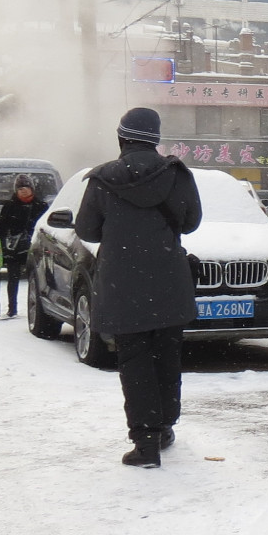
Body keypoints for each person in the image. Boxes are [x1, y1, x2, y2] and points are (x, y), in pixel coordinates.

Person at [75, 106, 203, 468]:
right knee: (167, 354)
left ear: (121, 138)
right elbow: (191, 222)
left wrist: (119, 229)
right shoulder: (177, 175)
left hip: (122, 283)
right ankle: (163, 428)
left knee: (134, 360)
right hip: (168, 279)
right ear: (155, 139)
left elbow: (86, 231)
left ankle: (145, 440)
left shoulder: (101, 180)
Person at [0, 178, 48, 318]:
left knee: (37, 278)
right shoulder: (10, 206)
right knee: (13, 277)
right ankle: (12, 308)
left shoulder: (41, 206)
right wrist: (2, 245)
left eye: (25, 188)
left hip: (34, 246)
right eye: (19, 189)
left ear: (32, 189)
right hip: (14, 248)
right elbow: (1, 228)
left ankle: (38, 307)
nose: (23, 191)